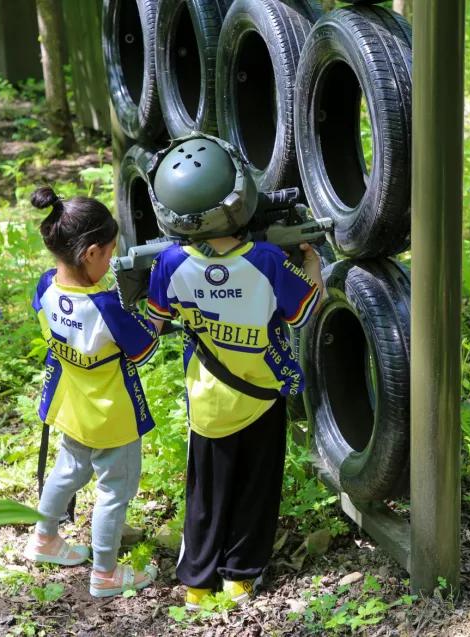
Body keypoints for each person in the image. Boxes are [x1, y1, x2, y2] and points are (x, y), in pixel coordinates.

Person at [144, 135, 324, 609]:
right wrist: (312, 263)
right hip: (261, 394)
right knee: (255, 489)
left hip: (207, 403)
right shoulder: (266, 261)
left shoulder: (168, 262)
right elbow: (303, 311)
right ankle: (240, 578)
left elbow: (157, 320)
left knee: (205, 494)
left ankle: (197, 584)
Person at [23, 186, 159, 598]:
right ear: (90, 254)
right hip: (112, 416)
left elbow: (46, 315)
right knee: (114, 491)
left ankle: (44, 538)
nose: (114, 258)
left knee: (67, 472)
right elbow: (145, 348)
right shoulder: (106, 307)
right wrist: (155, 314)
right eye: (111, 250)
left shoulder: (47, 285)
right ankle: (104, 572)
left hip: (71, 405)